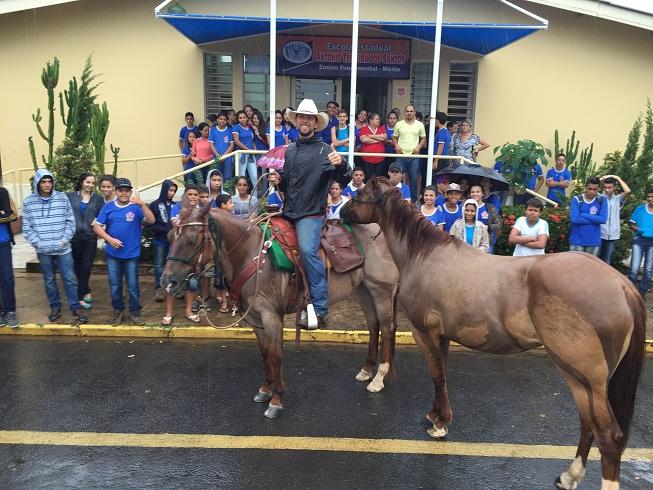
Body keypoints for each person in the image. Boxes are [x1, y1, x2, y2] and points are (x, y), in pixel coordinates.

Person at [267, 98, 348, 330]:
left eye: (309, 118)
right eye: (301, 117)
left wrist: (341, 164)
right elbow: (288, 186)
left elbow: (345, 178)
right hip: (289, 210)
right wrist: (279, 181)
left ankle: (320, 308)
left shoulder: (325, 150)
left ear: (315, 123)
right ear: (296, 121)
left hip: (311, 213)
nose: (304, 121)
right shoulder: (290, 150)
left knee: (306, 251)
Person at [23, 169, 87, 324]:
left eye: (49, 181)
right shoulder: (28, 202)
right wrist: (39, 243)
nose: (47, 185)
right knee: (49, 279)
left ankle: (75, 308)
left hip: (63, 248)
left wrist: (64, 240)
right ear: (37, 183)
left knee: (70, 278)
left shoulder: (62, 197)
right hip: (43, 250)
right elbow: (27, 227)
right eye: (43, 182)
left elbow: (70, 222)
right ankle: (55, 307)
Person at [93, 178, 155, 326]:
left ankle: (135, 312)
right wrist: (109, 239)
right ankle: (117, 311)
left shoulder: (135, 207)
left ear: (130, 192)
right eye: (121, 190)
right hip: (112, 255)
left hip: (131, 254)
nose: (124, 193)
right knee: (115, 285)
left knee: (133, 285)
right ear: (116, 191)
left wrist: (142, 205)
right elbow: (97, 226)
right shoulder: (108, 207)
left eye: (127, 190)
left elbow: (151, 220)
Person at [162, 189, 202, 326]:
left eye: (196, 194)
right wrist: (185, 214)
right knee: (171, 283)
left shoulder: (201, 210)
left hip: (192, 254)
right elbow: (175, 224)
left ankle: (189, 311)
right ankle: (169, 313)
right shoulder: (176, 208)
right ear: (185, 196)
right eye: (190, 194)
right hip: (176, 253)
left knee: (192, 283)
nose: (193, 197)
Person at [66, 172, 104, 310]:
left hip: (90, 238)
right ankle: (86, 291)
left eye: (93, 183)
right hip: (74, 238)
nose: (90, 185)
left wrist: (99, 224)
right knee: (77, 266)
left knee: (87, 266)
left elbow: (101, 215)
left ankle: (79, 295)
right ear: (82, 182)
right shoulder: (70, 197)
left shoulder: (98, 199)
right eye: (88, 182)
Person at [148, 179, 178, 302]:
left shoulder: (175, 205)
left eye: (174, 191)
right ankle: (159, 288)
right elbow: (150, 223)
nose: (172, 193)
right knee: (159, 265)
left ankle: (174, 286)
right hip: (160, 240)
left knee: (173, 265)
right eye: (170, 190)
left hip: (173, 241)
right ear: (165, 189)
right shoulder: (155, 205)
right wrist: (163, 230)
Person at [393, 104, 426, 203]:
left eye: (411, 111)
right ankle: (398, 200)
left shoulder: (420, 124)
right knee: (397, 179)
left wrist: (419, 147)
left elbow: (423, 138)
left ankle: (413, 202)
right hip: (401, 155)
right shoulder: (399, 124)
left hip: (414, 156)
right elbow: (394, 137)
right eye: (407, 111)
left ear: (414, 112)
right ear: (404, 112)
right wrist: (396, 146)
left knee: (413, 180)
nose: (409, 113)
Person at [569, 176, 608, 256]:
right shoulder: (576, 199)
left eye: (595, 189)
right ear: (585, 187)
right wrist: (595, 219)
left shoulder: (602, 200)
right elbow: (575, 219)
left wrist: (584, 214)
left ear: (598, 189)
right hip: (577, 241)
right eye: (589, 189)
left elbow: (603, 219)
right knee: (575, 267)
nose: (592, 192)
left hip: (593, 241)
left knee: (590, 268)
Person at [599, 175, 630, 265]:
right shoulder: (599, 197)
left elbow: (627, 191)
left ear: (615, 187)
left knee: (607, 260)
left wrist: (618, 178)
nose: (607, 190)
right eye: (605, 187)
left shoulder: (617, 199)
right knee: (595, 258)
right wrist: (602, 179)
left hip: (612, 234)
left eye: (609, 187)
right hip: (600, 233)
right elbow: (590, 187)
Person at [628, 189, 653, 298]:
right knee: (634, 268)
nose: (650, 199)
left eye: (652, 197)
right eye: (648, 196)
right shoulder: (640, 209)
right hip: (639, 241)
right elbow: (631, 224)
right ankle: (631, 294)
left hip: (652, 243)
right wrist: (640, 229)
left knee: (648, 269)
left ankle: (642, 294)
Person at [0, 183, 18, 328]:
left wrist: (4, 214)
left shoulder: (2, 192)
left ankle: (10, 311)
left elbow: (12, 215)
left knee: (7, 278)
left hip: (3, 243)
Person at [232, 110, 258, 197]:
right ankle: (239, 196)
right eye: (240, 118)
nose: (242, 119)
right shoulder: (236, 127)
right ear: (238, 119)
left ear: (247, 118)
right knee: (241, 177)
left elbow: (252, 141)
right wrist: (248, 150)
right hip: (241, 154)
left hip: (251, 155)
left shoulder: (249, 129)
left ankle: (254, 197)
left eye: (244, 117)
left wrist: (255, 151)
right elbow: (237, 141)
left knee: (254, 177)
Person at [469, 184, 499, 252]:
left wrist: (488, 227)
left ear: (482, 193)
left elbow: (498, 224)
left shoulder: (490, 207)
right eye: (472, 192)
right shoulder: (465, 207)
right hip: (469, 241)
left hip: (486, 242)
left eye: (477, 192)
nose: (475, 194)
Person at [359, 112, 388, 181]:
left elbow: (384, 138)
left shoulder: (381, 128)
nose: (378, 120)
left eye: (379, 119)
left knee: (378, 180)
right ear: (371, 120)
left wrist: (371, 136)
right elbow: (364, 140)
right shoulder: (364, 129)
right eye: (376, 119)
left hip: (380, 159)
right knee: (368, 180)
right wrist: (379, 140)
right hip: (367, 160)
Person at [208, 111, 235, 182]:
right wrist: (217, 155)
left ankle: (227, 193)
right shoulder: (213, 130)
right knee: (216, 178)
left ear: (227, 121)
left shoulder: (230, 130)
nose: (222, 121)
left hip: (227, 158)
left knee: (227, 178)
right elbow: (211, 144)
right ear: (217, 119)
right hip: (216, 158)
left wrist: (224, 156)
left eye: (224, 119)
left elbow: (232, 145)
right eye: (221, 119)